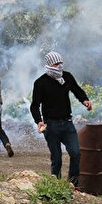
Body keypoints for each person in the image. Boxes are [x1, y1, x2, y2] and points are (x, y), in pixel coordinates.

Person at [30, 51, 92, 186]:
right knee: (56, 158)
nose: (59, 66)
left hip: (67, 123)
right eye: (56, 63)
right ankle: (56, 187)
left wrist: (85, 100)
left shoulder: (67, 77)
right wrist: (38, 121)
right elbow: (35, 106)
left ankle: (73, 184)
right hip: (50, 125)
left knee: (76, 153)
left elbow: (77, 90)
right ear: (49, 65)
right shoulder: (40, 83)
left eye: (60, 63)